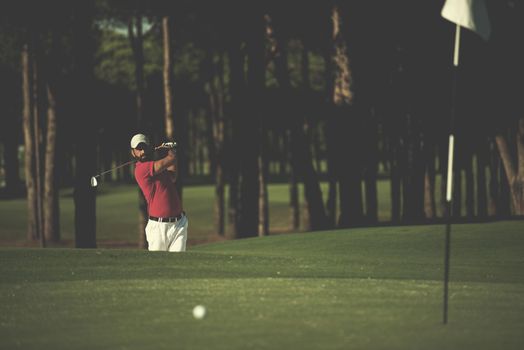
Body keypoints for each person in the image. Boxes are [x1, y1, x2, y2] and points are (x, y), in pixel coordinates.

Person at [130, 133, 188, 252]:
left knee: (178, 265)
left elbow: (172, 177)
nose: (142, 151)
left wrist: (172, 153)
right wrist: (172, 151)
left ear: (149, 148)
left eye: (144, 147)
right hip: (158, 228)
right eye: (138, 149)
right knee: (158, 268)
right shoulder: (141, 169)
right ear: (133, 152)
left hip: (178, 224)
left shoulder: (156, 168)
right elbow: (170, 160)